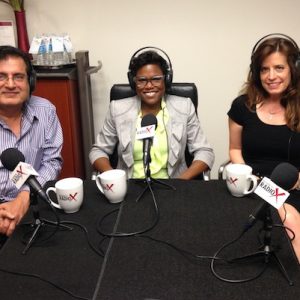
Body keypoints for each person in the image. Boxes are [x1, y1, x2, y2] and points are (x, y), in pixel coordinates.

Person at [227, 34, 300, 262]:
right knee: (286, 217)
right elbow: (235, 150)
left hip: (293, 187)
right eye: (264, 69)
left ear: (294, 69)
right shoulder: (242, 106)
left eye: (279, 68)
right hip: (254, 186)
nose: (271, 76)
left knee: (289, 219)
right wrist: (250, 178)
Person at [90, 47, 214, 179]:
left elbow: (205, 152)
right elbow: (98, 151)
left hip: (174, 185)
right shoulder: (117, 109)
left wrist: (182, 181)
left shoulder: (184, 107)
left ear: (166, 80)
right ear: (133, 83)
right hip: (129, 186)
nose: (149, 86)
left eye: (156, 79)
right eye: (142, 80)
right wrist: (114, 177)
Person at [0, 45, 63, 242]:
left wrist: (24, 197)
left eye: (18, 76)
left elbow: (52, 162)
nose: (10, 84)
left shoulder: (45, 111)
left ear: (31, 82)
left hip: (35, 204)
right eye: (1, 76)